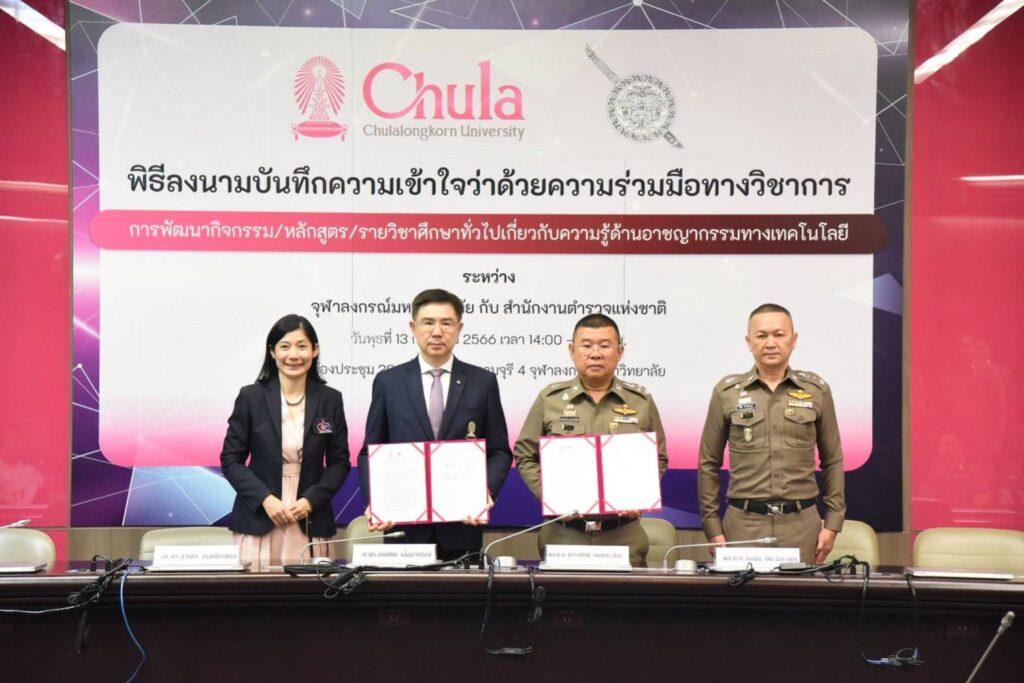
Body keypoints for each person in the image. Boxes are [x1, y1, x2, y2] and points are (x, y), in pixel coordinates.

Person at [358, 289, 512, 561]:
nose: (437, 332)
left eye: (446, 323)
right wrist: (377, 501)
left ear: (459, 329)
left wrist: (485, 492)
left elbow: (500, 451)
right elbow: (369, 451)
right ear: (413, 328)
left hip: (462, 525)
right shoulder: (388, 382)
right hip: (403, 527)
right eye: (428, 322)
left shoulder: (483, 382)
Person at [514, 314, 668, 567]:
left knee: (625, 592)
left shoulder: (640, 401)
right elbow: (525, 455)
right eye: (586, 345)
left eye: (604, 345)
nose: (595, 354)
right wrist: (551, 497)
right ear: (572, 351)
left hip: (623, 535)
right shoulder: (550, 399)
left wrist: (639, 497)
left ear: (620, 352)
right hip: (564, 534)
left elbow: (658, 458)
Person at [698, 303, 845, 565]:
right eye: (761, 335)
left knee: (799, 593)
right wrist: (712, 526)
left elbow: (833, 460)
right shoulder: (726, 392)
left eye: (779, 334)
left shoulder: (816, 390)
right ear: (749, 341)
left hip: (802, 526)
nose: (770, 343)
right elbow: (708, 463)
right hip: (743, 526)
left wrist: (832, 524)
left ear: (794, 340)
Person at [220, 314, 350, 566]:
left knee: (312, 589)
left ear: (315, 350)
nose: (293, 355)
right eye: (285, 346)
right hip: (260, 516)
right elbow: (231, 460)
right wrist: (265, 500)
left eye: (302, 346)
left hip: (310, 516)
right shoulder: (251, 397)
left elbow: (339, 462)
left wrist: (311, 500)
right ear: (272, 352)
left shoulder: (330, 399)